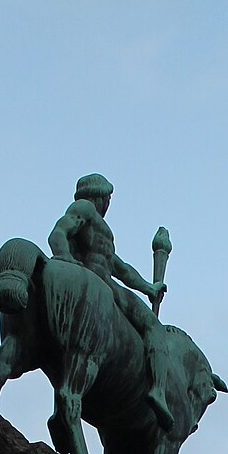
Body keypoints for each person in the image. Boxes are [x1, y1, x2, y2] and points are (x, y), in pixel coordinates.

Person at [49, 174, 173, 428]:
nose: (108, 203)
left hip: (108, 281)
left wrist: (148, 287)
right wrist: (66, 261)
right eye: (108, 198)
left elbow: (121, 268)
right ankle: (158, 390)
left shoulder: (98, 227)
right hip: (101, 283)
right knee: (153, 327)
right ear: (101, 196)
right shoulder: (84, 209)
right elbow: (58, 234)